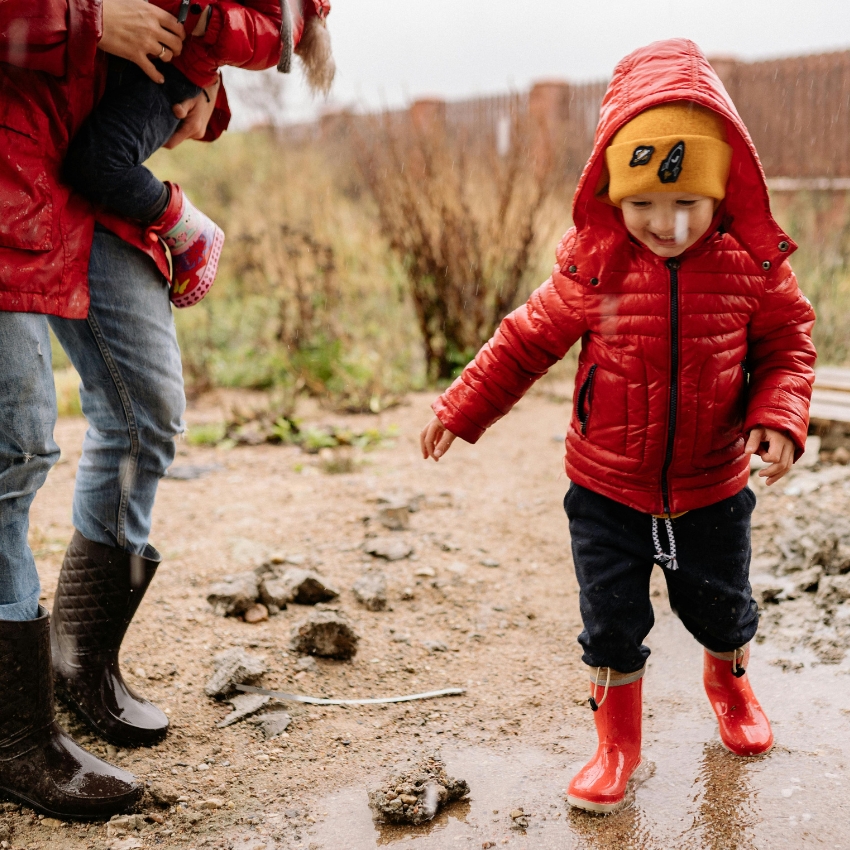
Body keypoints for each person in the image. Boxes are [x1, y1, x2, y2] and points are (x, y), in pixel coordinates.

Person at [420, 39, 816, 814]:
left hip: (712, 486)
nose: (665, 225)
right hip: (606, 488)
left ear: (719, 191)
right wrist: (460, 407)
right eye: (643, 205)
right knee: (610, 623)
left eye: (685, 205)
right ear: (612, 194)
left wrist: (779, 414)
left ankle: (729, 688)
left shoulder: (749, 265)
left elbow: (789, 345)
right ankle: (616, 745)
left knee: (723, 605)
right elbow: (524, 339)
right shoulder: (595, 263)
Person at [0, 0, 324, 819]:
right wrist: (86, 24)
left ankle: (82, 657)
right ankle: (12, 736)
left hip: (81, 161)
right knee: (13, 453)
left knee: (148, 414)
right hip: (17, 153)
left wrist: (193, 95)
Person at [62, 0, 333, 308]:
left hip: (170, 78)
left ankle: (184, 225)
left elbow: (264, 35)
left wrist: (203, 17)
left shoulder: (291, 11)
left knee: (97, 160)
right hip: (148, 53)